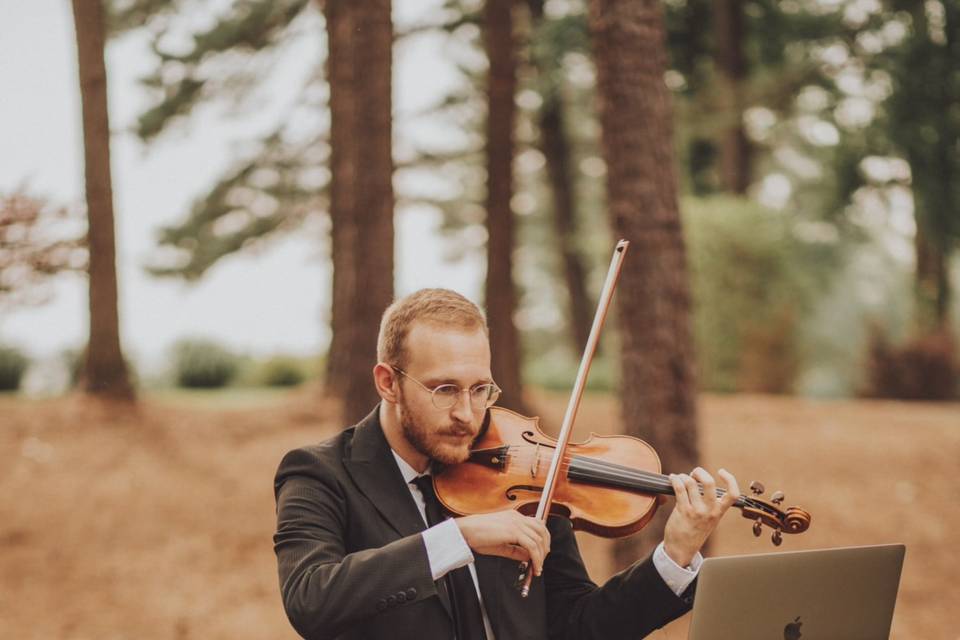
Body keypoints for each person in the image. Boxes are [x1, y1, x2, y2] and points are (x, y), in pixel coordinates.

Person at [274, 288, 741, 640]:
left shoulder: (525, 478)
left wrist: (674, 555)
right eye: (444, 390)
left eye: (480, 389)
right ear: (387, 382)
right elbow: (312, 599)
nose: (466, 413)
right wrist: (457, 538)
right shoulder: (322, 474)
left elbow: (577, 626)